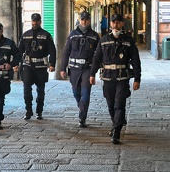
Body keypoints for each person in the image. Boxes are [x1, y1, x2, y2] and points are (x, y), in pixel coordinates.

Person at [89, 13, 141, 144]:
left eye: (118, 22)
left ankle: (116, 131)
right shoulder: (104, 40)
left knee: (119, 104)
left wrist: (137, 79)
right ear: (110, 24)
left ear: (122, 24)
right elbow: (96, 58)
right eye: (113, 22)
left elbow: (135, 61)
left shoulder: (128, 41)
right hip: (107, 78)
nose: (115, 25)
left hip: (122, 78)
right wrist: (92, 74)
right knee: (110, 104)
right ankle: (115, 123)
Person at [60, 11, 100, 127]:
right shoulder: (73, 34)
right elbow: (66, 52)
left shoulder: (94, 36)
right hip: (74, 69)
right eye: (82, 19)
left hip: (87, 68)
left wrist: (98, 69)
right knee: (76, 92)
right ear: (80, 19)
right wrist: (63, 68)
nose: (84, 21)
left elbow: (98, 54)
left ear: (89, 20)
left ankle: (82, 117)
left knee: (86, 93)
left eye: (86, 19)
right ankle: (81, 106)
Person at [18, 13, 56, 120]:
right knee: (26, 89)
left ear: (40, 21)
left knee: (41, 90)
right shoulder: (25, 35)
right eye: (33, 21)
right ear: (31, 21)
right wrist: (16, 64)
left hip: (41, 66)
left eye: (37, 21)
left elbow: (52, 50)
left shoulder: (46, 35)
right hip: (28, 65)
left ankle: (39, 111)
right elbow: (19, 51)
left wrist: (52, 64)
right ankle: (28, 111)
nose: (35, 23)